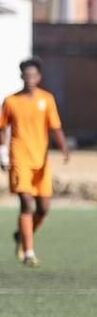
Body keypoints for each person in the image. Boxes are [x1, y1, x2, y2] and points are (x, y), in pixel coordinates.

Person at [0, 58, 70, 267]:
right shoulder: (11, 101)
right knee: (26, 203)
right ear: (21, 76)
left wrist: (64, 147)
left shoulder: (46, 99)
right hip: (19, 158)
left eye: (33, 75)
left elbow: (55, 126)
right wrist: (3, 153)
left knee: (43, 208)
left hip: (41, 160)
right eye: (26, 75)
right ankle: (28, 252)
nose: (30, 78)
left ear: (39, 77)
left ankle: (22, 235)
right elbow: (2, 128)